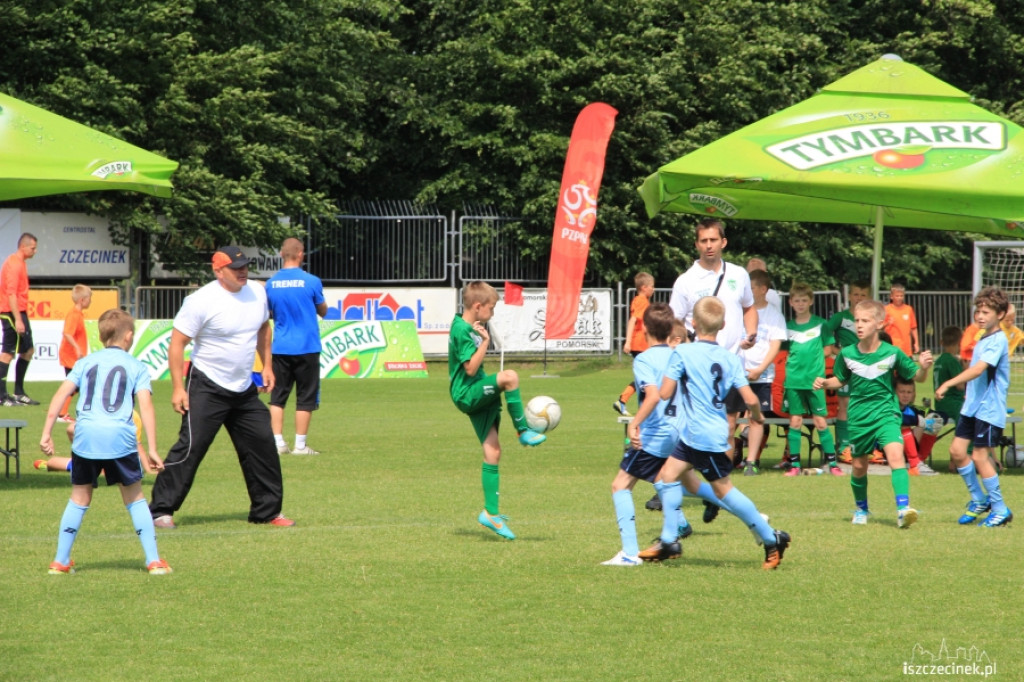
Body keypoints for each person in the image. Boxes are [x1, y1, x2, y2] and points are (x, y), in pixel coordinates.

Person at [149, 246, 294, 529]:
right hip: (206, 385)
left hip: (243, 388)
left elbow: (264, 327)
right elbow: (177, 343)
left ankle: (267, 512)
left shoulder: (258, 292)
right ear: (218, 271)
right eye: (235, 267)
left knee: (263, 444)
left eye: (245, 266)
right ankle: (160, 510)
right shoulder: (201, 300)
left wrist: (267, 366)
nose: (243, 271)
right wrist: (178, 388)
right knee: (191, 447)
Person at [641, 297, 791, 570]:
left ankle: (772, 538)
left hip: (703, 437)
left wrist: (650, 383)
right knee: (666, 477)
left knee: (724, 491)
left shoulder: (682, 353)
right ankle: (669, 540)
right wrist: (756, 418)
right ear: (722, 325)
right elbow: (751, 399)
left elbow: (663, 393)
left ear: (693, 323)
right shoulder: (729, 358)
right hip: (701, 433)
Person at [40, 309, 171, 575]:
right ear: (130, 336)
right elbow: (146, 406)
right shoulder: (137, 366)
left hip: (85, 437)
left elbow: (59, 395)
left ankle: (60, 561)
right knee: (134, 497)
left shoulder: (85, 363)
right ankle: (154, 561)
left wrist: (47, 432)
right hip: (120, 439)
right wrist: (153, 448)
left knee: (78, 498)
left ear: (101, 337)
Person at [814, 300, 933, 528]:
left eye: (865, 321)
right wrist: (825, 381)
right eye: (857, 320)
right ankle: (861, 509)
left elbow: (917, 376)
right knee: (859, 466)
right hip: (859, 417)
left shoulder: (892, 353)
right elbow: (840, 379)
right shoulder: (847, 353)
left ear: (879, 323)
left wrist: (924, 367)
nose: (859, 325)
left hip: (886, 413)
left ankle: (902, 509)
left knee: (897, 458)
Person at [449, 281, 546, 541]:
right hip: (468, 392)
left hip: (474, 391)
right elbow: (470, 368)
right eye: (491, 308)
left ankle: (490, 514)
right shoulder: (461, 329)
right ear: (477, 306)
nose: (492, 313)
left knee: (493, 451)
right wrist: (486, 342)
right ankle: (523, 431)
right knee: (510, 377)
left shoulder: (465, 326)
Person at [604, 304, 689, 566]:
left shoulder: (644, 359)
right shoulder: (679, 355)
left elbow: (652, 396)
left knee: (620, 485)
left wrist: (634, 423)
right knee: (663, 478)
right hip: (680, 430)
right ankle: (680, 526)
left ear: (645, 329)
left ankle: (629, 553)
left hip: (656, 433)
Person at [669, 217, 757, 466]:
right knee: (688, 426)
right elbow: (674, 324)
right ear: (697, 244)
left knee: (728, 427)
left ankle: (720, 486)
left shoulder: (739, 274)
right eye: (704, 240)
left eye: (713, 240)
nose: (709, 245)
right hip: (697, 367)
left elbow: (749, 307)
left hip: (730, 363)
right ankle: (677, 479)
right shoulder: (686, 280)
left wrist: (751, 334)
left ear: (723, 242)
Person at [936, 287, 1013, 527]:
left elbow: (979, 370)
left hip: (988, 409)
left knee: (980, 456)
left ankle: (1000, 509)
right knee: (958, 452)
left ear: (999, 314)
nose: (980, 316)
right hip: (972, 408)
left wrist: (949, 382)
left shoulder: (998, 339)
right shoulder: (983, 337)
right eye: (978, 311)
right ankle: (979, 499)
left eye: (986, 312)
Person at [266, 237, 328, 456]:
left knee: (278, 397)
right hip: (307, 346)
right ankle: (300, 446)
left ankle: (277, 442)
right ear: (301, 254)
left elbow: (269, 313)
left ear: (281, 254)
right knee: (305, 397)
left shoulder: (271, 284)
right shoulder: (311, 281)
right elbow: (323, 310)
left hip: (281, 347)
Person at [782, 283, 842, 476]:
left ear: (811, 301)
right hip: (793, 381)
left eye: (804, 300)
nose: (800, 304)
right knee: (795, 422)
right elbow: (783, 352)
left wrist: (815, 365)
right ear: (791, 302)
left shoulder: (821, 324)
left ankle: (833, 464)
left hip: (815, 381)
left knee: (821, 422)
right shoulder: (787, 327)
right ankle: (795, 466)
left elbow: (828, 348)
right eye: (797, 300)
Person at [736, 269, 785, 475]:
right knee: (730, 418)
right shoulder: (738, 310)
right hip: (736, 373)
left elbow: (775, 345)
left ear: (763, 289)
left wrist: (759, 369)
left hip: (761, 375)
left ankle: (751, 461)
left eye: (751, 287)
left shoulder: (774, 314)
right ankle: (724, 460)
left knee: (757, 418)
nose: (746, 291)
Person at [823, 280, 871, 462]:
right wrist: (836, 351)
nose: (859, 298)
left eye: (863, 295)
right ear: (850, 296)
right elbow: (825, 333)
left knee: (863, 406)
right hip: (846, 368)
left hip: (866, 368)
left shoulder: (870, 319)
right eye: (856, 294)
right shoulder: (841, 317)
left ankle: (862, 446)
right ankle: (843, 447)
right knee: (845, 405)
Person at [36, 410, 152, 474]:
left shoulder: (129, 414)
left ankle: (78, 465)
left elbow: (137, 444)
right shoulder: (127, 414)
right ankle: (78, 464)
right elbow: (138, 445)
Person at [0, 232, 39, 406]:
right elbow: (11, 294)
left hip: (19, 311)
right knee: (7, 353)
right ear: (23, 246)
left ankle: (18, 392)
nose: (35, 251)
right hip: (10, 312)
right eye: (33, 247)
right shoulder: (14, 264)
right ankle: (1, 395)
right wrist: (18, 319)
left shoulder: (21, 263)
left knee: (28, 350)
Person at [613, 271, 654, 416]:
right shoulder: (642, 301)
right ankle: (625, 401)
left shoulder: (639, 300)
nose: (653, 289)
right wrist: (628, 341)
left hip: (642, 344)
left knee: (645, 377)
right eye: (651, 287)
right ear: (644, 287)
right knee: (646, 377)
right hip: (640, 345)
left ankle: (624, 401)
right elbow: (633, 320)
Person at [57, 284, 92, 422]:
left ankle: (63, 412)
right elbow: (67, 333)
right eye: (89, 298)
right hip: (70, 356)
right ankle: (62, 414)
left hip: (74, 357)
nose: (91, 302)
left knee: (76, 385)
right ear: (82, 300)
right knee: (74, 385)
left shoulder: (78, 314)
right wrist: (77, 348)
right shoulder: (74, 315)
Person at [894, 378, 942, 475]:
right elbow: (899, 418)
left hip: (907, 447)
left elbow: (940, 414)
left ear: (913, 394)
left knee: (934, 419)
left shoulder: (913, 409)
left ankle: (920, 463)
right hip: (888, 449)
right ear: (895, 392)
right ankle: (915, 464)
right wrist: (919, 421)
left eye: (909, 392)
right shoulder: (889, 406)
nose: (905, 395)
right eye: (902, 392)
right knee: (904, 425)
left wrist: (935, 420)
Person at [933, 326, 966, 424]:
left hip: (940, 403)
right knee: (969, 416)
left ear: (941, 342)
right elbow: (960, 386)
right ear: (960, 342)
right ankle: (967, 438)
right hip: (953, 403)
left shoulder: (939, 360)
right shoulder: (952, 361)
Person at [884, 281, 919, 357]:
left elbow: (913, 328)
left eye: (901, 296)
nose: (899, 298)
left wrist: (916, 343)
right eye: (897, 296)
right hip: (892, 348)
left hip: (906, 349)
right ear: (891, 296)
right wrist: (887, 323)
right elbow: (879, 327)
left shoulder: (908, 309)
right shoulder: (886, 309)